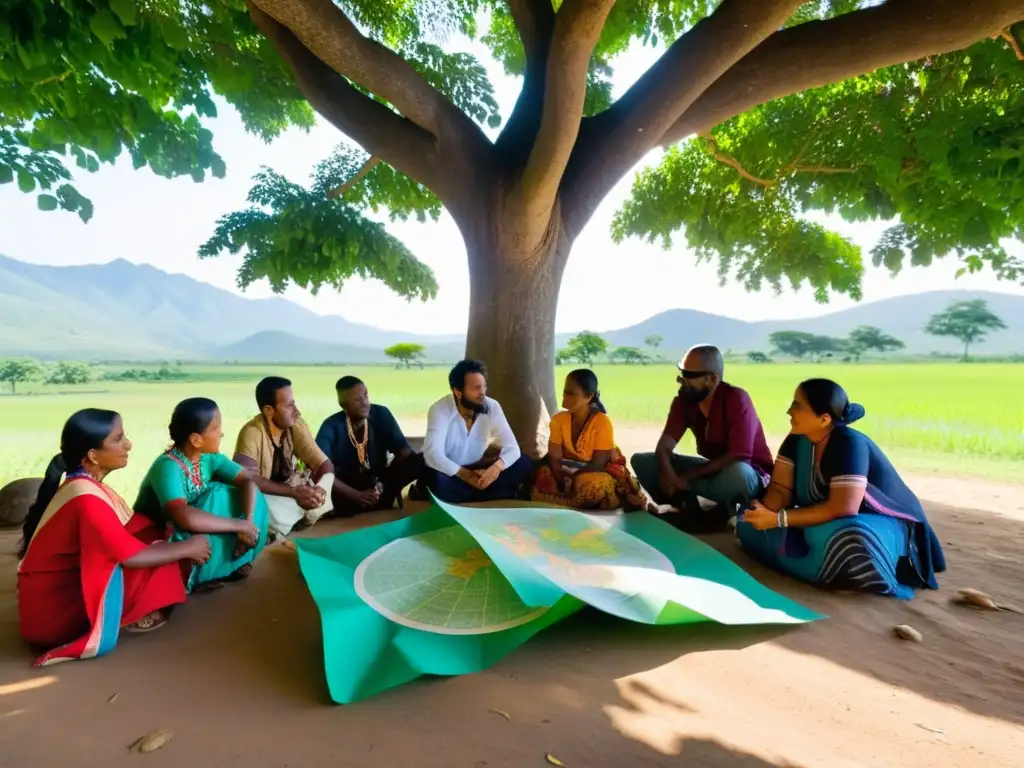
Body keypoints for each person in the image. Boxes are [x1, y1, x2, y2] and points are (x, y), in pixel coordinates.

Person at [17, 409, 209, 666]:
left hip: (49, 602)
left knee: (158, 539)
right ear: (93, 456)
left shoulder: (83, 483)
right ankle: (128, 615)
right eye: (118, 439)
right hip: (51, 616)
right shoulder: (85, 498)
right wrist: (189, 547)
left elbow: (128, 528)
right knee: (164, 560)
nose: (128, 444)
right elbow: (131, 556)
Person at [736, 379, 946, 598]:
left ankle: (839, 566)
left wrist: (778, 520)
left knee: (850, 536)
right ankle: (827, 569)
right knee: (748, 525)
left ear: (824, 419)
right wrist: (763, 511)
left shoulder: (849, 444)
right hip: (826, 521)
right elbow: (780, 489)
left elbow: (843, 508)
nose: (789, 411)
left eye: (798, 406)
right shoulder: (796, 441)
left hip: (874, 524)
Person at [631, 344, 773, 528]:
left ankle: (726, 513)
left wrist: (686, 477)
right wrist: (668, 473)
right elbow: (664, 446)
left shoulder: (736, 399)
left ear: (712, 379)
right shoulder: (683, 402)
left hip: (747, 475)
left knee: (739, 473)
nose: (681, 380)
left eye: (689, 376)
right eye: (681, 372)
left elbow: (739, 454)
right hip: (713, 473)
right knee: (643, 461)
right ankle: (688, 508)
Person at [134, 397, 268, 592]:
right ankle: (202, 574)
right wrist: (239, 525)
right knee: (217, 496)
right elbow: (182, 515)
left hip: (190, 529)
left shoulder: (208, 458)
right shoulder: (168, 466)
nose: (221, 433)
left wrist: (248, 521)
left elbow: (247, 480)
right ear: (196, 439)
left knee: (245, 495)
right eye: (215, 428)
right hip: (161, 534)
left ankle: (226, 564)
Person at [531, 369, 647, 510]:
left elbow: (599, 463)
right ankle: (570, 501)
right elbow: (555, 457)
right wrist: (561, 477)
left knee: (593, 485)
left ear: (589, 397)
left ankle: (563, 501)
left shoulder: (602, 422)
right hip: (566, 473)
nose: (564, 399)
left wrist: (573, 479)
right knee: (544, 474)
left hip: (592, 473)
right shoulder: (559, 420)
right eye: (565, 392)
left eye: (571, 394)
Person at [420, 359, 533, 503]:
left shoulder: (492, 406)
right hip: (452, 472)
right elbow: (433, 455)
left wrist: (495, 469)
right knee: (434, 477)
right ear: (458, 392)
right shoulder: (440, 409)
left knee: (523, 462)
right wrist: (467, 476)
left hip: (479, 468)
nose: (482, 393)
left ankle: (474, 492)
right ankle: (490, 493)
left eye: (484, 387)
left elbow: (513, 448)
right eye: (476, 388)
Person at [233, 377, 335, 538]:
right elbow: (244, 477)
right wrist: (294, 492)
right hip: (270, 497)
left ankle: (285, 524)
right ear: (269, 411)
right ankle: (280, 526)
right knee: (260, 504)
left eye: (294, 403)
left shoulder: (296, 424)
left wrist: (320, 490)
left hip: (291, 493)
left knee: (326, 484)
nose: (297, 411)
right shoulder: (252, 432)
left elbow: (325, 464)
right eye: (289, 405)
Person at [315, 375, 424, 515]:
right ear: (343, 405)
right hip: (348, 489)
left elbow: (403, 451)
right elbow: (320, 469)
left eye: (365, 395)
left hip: (380, 481)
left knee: (420, 460)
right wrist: (356, 495)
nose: (365, 403)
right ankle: (361, 504)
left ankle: (384, 496)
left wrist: (382, 483)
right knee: (324, 480)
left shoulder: (381, 414)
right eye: (357, 399)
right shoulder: (331, 426)